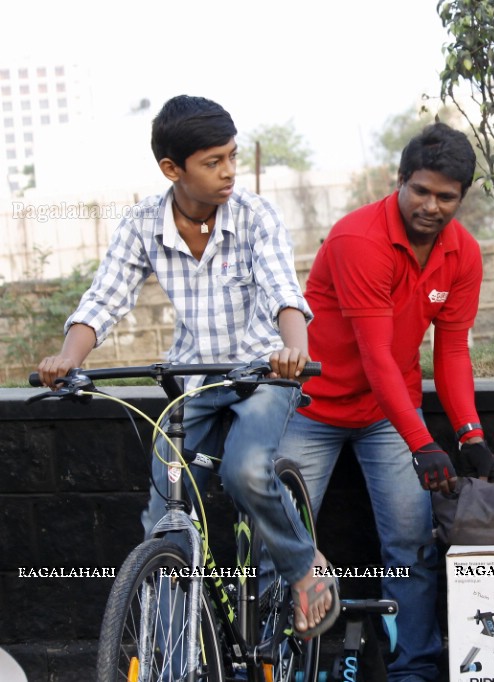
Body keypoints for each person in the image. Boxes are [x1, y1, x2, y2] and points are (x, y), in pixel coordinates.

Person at [35, 95, 339, 638]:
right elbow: (105, 299)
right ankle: (169, 650)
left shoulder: (253, 214)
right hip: (196, 378)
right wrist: (67, 359)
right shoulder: (142, 223)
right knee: (164, 510)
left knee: (246, 471)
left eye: (232, 156)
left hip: (265, 373)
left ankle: (303, 567)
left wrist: (296, 350)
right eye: (212, 161)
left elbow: (283, 292)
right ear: (171, 170)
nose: (228, 172)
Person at [279, 122, 494, 682]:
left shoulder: (463, 253)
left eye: (446, 196)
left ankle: (415, 668)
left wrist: (470, 433)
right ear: (399, 180)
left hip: (385, 413)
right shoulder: (360, 240)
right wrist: (424, 443)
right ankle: (280, 664)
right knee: (282, 545)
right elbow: (375, 355)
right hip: (312, 406)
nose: (431, 205)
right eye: (420, 190)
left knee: (412, 543)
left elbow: (451, 352)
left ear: (462, 196)